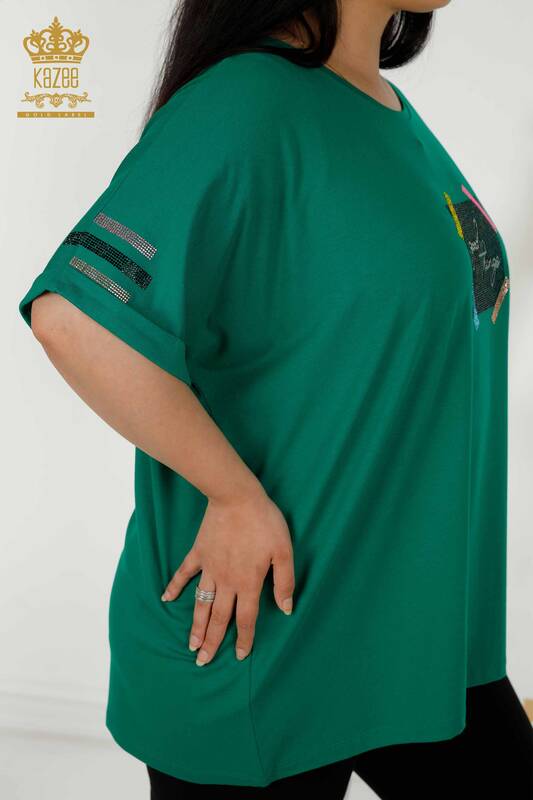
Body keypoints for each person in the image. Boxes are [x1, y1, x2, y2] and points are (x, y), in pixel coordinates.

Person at [18, 1, 532, 798]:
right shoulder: (245, 102)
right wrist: (233, 495)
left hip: (410, 634)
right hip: (259, 638)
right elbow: (74, 319)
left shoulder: (386, 112)